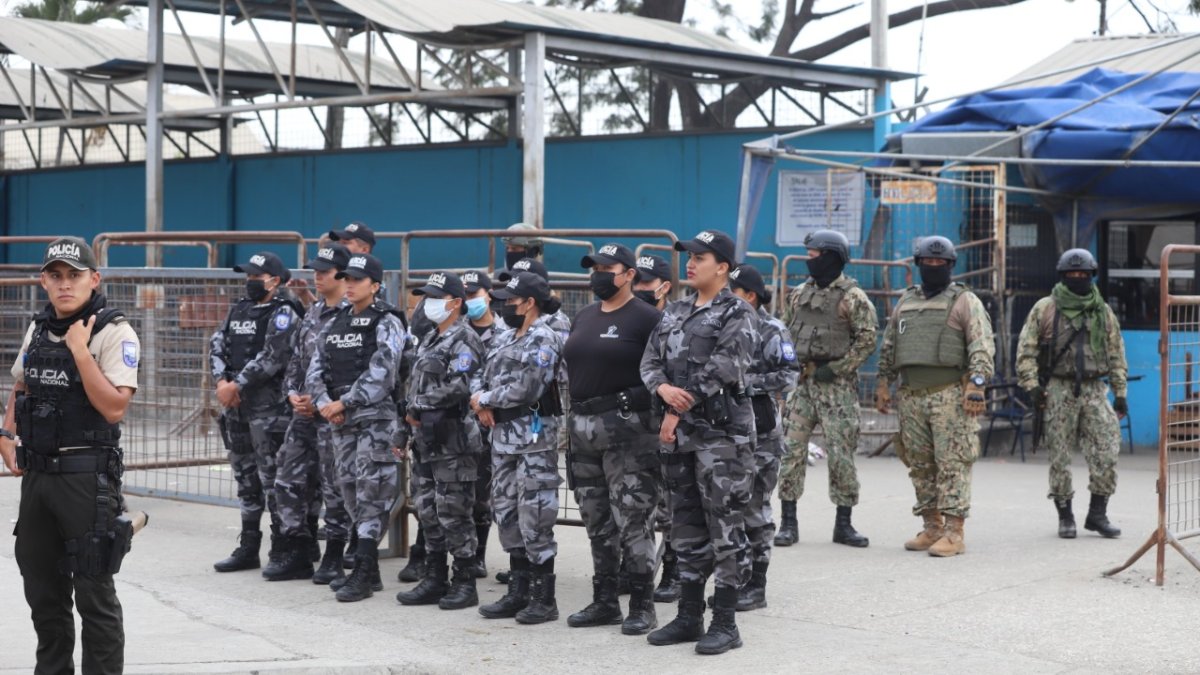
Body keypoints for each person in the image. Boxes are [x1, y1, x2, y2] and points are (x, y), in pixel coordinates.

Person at [1, 237, 140, 675]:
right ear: (43, 281)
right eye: (56, 276)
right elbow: (22, 385)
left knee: (94, 595)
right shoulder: (39, 328)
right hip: (38, 479)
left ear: (94, 279)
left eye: (75, 276)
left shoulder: (113, 331)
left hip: (86, 479)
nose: (65, 285)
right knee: (43, 593)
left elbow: (114, 407)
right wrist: (6, 431)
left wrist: (80, 350)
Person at [640, 229, 757, 655]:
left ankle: (725, 621)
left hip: (722, 440)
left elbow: (725, 367)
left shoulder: (738, 313)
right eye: (688, 256)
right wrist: (660, 388)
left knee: (724, 526)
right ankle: (689, 615)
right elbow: (649, 360)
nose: (689, 263)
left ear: (722, 267)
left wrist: (675, 406)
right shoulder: (674, 311)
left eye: (700, 257)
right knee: (685, 526)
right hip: (681, 438)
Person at [563, 244, 663, 636]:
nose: (599, 274)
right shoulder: (585, 315)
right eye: (595, 268)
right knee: (596, 519)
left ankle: (642, 605)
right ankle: (605, 600)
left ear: (628, 275)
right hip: (582, 429)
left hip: (628, 434)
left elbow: (662, 374)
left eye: (608, 268)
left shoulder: (648, 318)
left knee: (633, 519)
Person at [876, 235, 995, 557]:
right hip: (911, 395)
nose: (933, 267)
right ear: (918, 265)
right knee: (919, 464)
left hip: (949, 395)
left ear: (950, 266)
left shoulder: (964, 301)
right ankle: (932, 527)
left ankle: (954, 533)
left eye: (940, 264)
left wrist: (977, 385)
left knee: (953, 462)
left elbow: (981, 345)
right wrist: (883, 383)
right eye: (927, 263)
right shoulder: (906, 301)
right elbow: (889, 346)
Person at [306, 253, 405, 601]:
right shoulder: (336, 321)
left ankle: (363, 572)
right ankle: (370, 570)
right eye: (346, 279)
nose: (348, 285)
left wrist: (344, 402)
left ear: (375, 286)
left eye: (357, 280)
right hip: (340, 424)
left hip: (374, 423)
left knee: (372, 495)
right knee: (348, 492)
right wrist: (323, 404)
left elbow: (384, 371)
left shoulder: (387, 321)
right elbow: (315, 367)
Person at [471, 271, 565, 625]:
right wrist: (480, 400)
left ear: (529, 303)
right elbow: (483, 372)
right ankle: (518, 590)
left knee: (535, 513)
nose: (504, 306)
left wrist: (486, 399)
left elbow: (530, 386)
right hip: (503, 438)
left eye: (510, 300)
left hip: (533, 440)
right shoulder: (505, 335)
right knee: (507, 511)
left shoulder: (545, 337)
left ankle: (544, 597)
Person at [775, 230, 876, 548]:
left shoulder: (853, 297)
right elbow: (783, 331)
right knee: (790, 453)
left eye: (814, 256)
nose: (809, 261)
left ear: (832, 257)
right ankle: (788, 524)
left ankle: (843, 524)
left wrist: (837, 369)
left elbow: (867, 339)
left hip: (838, 389)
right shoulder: (798, 293)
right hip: (802, 386)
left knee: (841, 455)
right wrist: (789, 368)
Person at [1016, 248, 1125, 539]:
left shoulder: (1102, 310)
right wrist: (1033, 387)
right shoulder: (1046, 308)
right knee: (1059, 456)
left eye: (1083, 274)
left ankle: (1097, 514)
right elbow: (1026, 352)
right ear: (1062, 276)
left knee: (1107, 450)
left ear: (1092, 276)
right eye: (1071, 275)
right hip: (1058, 389)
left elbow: (1116, 353)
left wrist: (1121, 392)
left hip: (1094, 388)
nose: (1077, 278)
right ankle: (1065, 516)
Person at [396, 272, 487, 610]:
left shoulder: (465, 339)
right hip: (426, 440)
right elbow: (414, 388)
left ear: (455, 302)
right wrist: (403, 427)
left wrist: (418, 405)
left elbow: (461, 385)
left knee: (455, 512)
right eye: (425, 296)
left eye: (434, 297)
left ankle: (464, 581)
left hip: (454, 440)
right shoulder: (430, 338)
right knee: (428, 510)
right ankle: (435, 577)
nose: (426, 303)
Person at [211, 251, 303, 573]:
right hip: (236, 409)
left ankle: (283, 547)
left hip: (269, 411)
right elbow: (217, 343)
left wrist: (235, 386)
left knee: (273, 479)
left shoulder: (284, 313)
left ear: (275, 280)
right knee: (245, 478)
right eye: (247, 276)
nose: (250, 282)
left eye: (255, 276)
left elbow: (272, 357)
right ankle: (249, 546)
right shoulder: (239, 309)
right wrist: (222, 381)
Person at [267, 242, 352, 583]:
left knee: (335, 486)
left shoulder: (354, 315)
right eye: (314, 271)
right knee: (287, 479)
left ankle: (334, 553)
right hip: (303, 415)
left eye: (324, 271)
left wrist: (323, 400)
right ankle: (298, 548)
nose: (316, 276)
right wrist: (292, 394)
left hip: (334, 414)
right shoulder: (313, 314)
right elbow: (296, 363)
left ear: (343, 276)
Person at [728, 263, 799, 610]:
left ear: (751, 296)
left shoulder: (772, 330)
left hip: (762, 432)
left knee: (755, 507)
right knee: (730, 507)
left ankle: (757, 584)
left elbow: (788, 376)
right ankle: (737, 578)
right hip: (729, 430)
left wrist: (745, 384)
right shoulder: (724, 323)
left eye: (733, 291)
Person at [633, 253, 681, 602]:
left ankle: (674, 572)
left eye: (646, 284)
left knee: (672, 503)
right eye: (636, 281)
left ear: (664, 287)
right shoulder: (628, 318)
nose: (638, 289)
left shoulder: (676, 320)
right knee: (637, 502)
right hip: (634, 424)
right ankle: (634, 568)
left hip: (667, 423)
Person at [463, 269, 502, 579]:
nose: (469, 300)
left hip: (486, 422)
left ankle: (477, 555)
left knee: (481, 492)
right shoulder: (454, 330)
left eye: (474, 294)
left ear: (489, 295)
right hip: (452, 422)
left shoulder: (503, 333)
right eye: (464, 295)